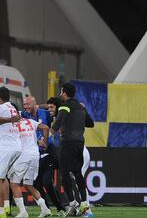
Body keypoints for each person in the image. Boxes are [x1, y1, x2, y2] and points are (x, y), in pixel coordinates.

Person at [51, 82, 94, 216]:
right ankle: (85, 203)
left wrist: (49, 134)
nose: (60, 94)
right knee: (77, 172)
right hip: (79, 143)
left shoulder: (65, 106)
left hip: (68, 143)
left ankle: (72, 202)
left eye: (61, 92)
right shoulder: (81, 107)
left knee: (64, 173)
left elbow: (58, 121)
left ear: (64, 92)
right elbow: (90, 123)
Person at [0, 86, 22, 218]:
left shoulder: (0, 108)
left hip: (6, 147)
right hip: (17, 147)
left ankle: (0, 212)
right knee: (3, 177)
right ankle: (7, 207)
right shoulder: (12, 108)